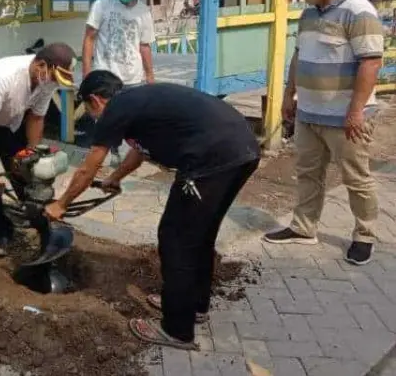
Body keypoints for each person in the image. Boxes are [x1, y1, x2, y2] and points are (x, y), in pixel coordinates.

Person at [45, 71, 260, 350]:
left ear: (95, 100)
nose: (92, 116)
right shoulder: (137, 103)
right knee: (200, 235)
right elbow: (140, 151)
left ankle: (177, 330)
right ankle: (192, 304)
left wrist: (60, 205)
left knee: (176, 239)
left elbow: (88, 167)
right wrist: (116, 178)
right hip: (242, 149)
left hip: (211, 159)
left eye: (87, 108)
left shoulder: (116, 109)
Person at [263, 0, 384, 266]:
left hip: (346, 117)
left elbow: (370, 64)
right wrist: (289, 95)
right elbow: (298, 55)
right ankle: (304, 228)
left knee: (355, 178)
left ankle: (364, 235)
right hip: (309, 114)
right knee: (308, 173)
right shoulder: (309, 14)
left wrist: (356, 112)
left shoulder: (359, 13)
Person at [0, 43, 77, 257]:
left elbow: (37, 117)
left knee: (24, 167)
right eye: (55, 78)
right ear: (40, 65)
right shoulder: (4, 75)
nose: (55, 83)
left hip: (8, 115)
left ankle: (39, 220)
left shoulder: (47, 79)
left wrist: (31, 154)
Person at [82, 0, 156, 164]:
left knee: (130, 118)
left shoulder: (144, 12)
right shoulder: (101, 5)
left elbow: (145, 45)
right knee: (103, 117)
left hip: (132, 76)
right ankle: (104, 154)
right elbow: (89, 38)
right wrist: (87, 72)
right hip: (105, 74)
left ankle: (125, 156)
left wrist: (150, 75)